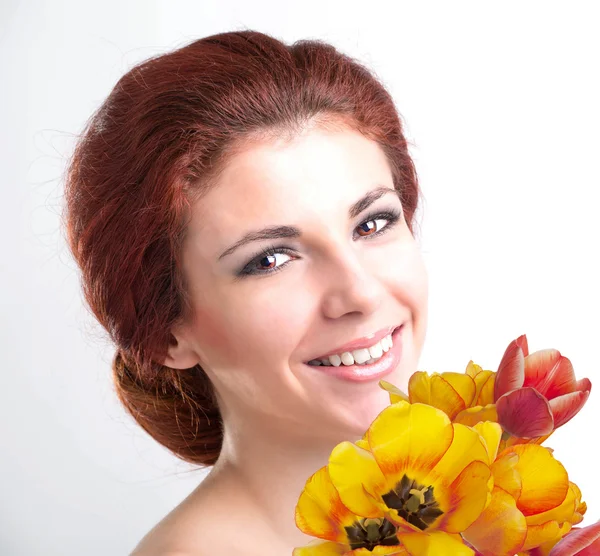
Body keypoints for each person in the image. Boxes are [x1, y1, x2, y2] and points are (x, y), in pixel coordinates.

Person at [62, 29, 429, 555]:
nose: (361, 293)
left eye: (372, 224)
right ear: (168, 332)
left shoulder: (480, 497)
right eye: (270, 260)